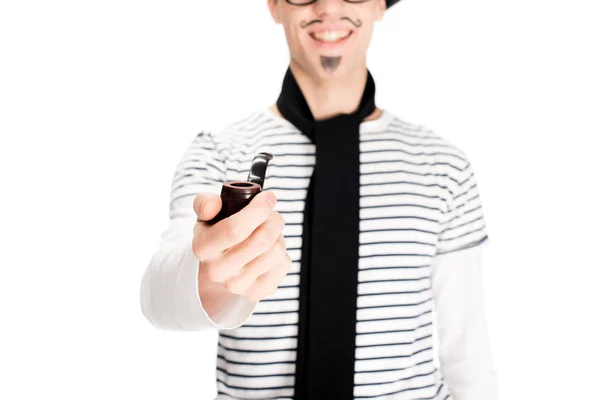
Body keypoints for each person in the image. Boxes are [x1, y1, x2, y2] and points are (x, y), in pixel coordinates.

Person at [139, 0, 498, 399]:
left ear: (380, 5)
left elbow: (467, 349)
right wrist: (208, 275)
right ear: (275, 6)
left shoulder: (444, 166)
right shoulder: (220, 154)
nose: (328, 6)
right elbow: (159, 299)